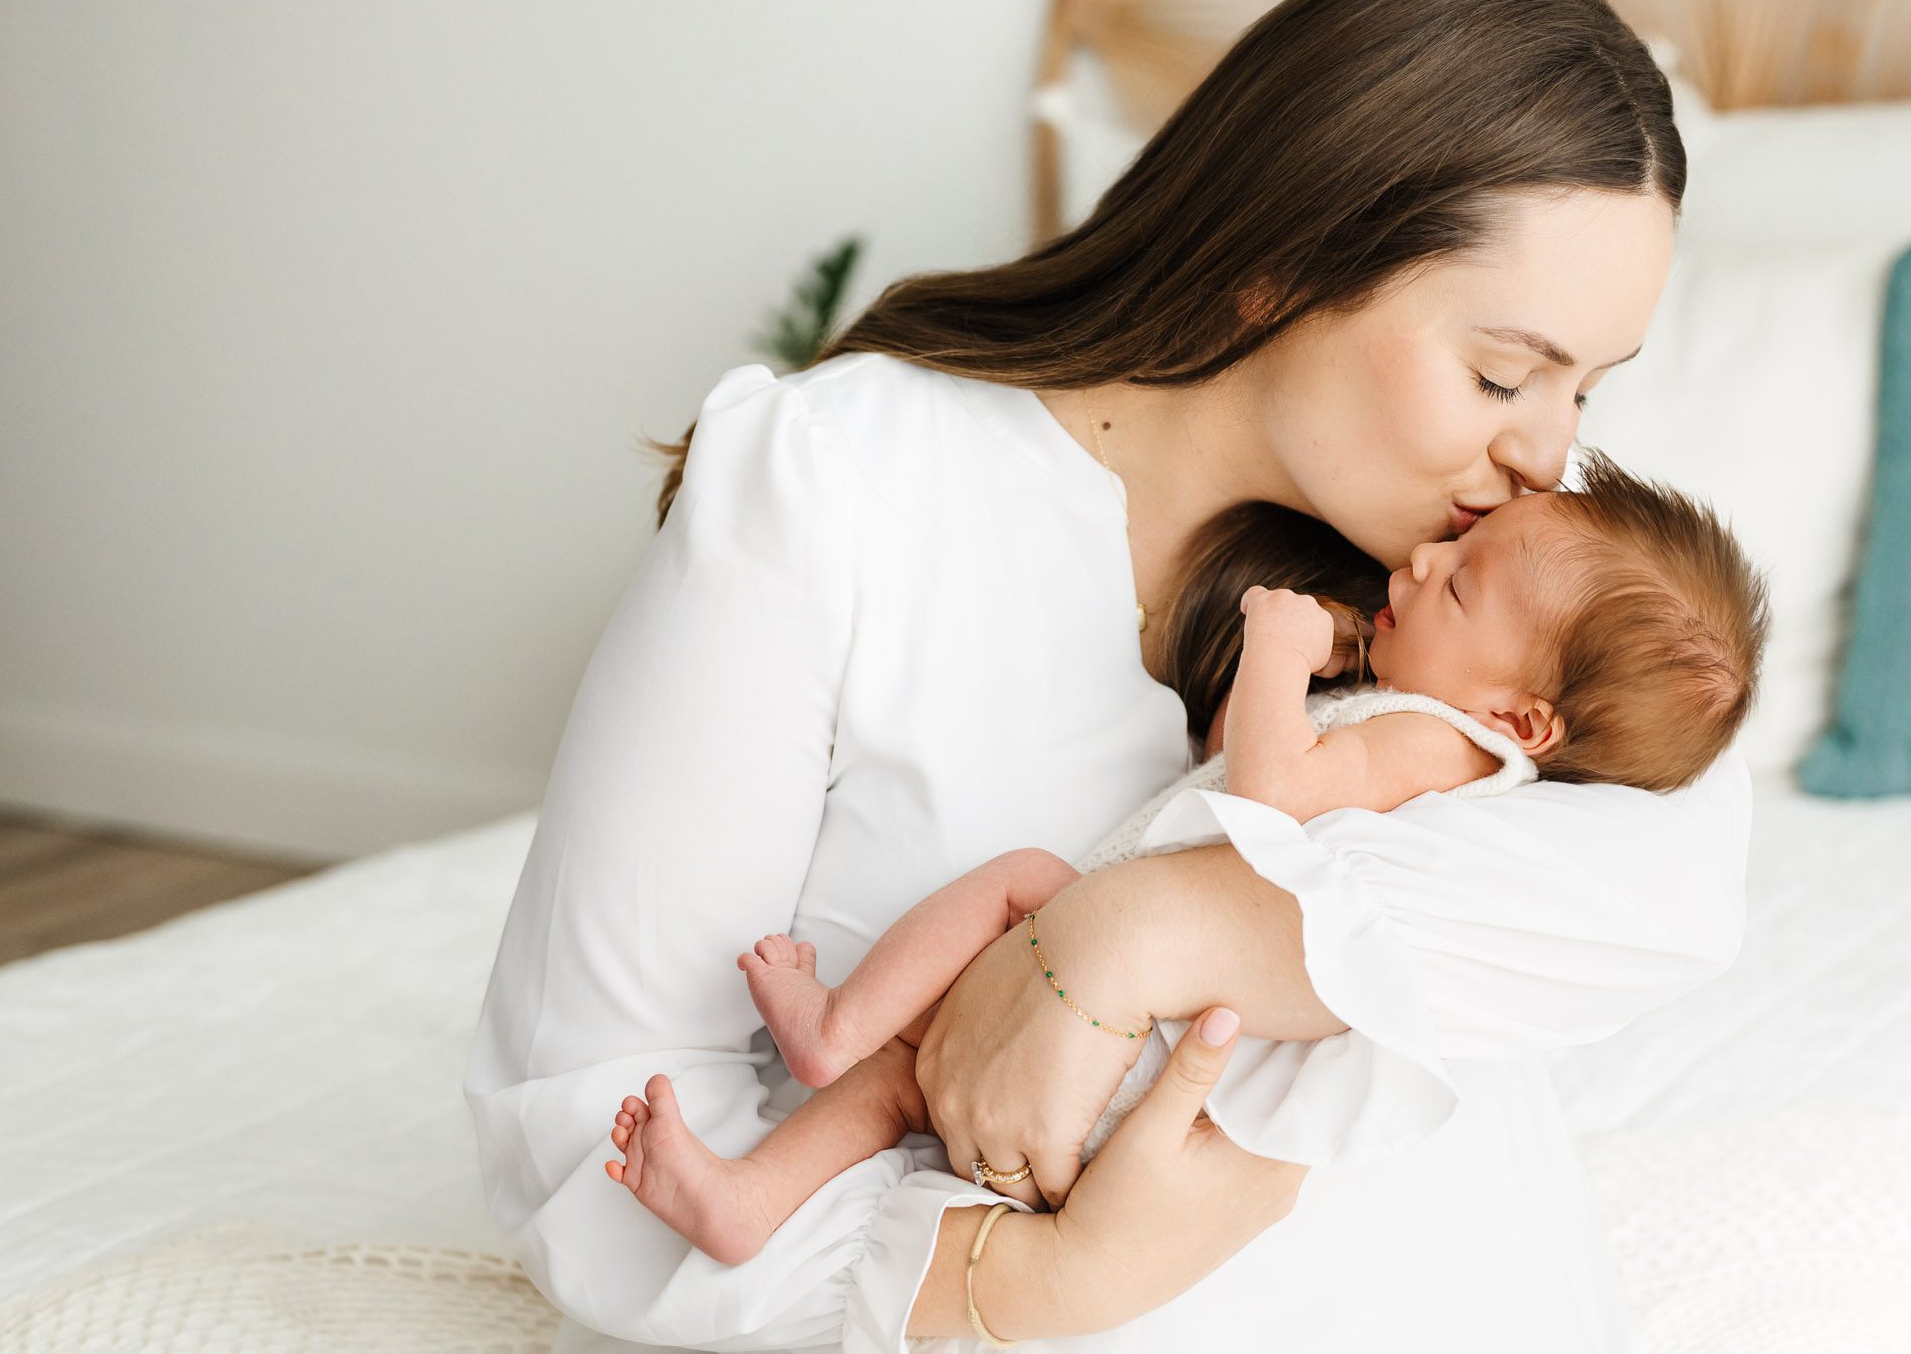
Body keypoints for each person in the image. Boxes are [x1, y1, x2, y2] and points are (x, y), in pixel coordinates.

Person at [463, 0, 1755, 1354]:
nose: (1549, 451)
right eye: (1505, 370)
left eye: (1588, 388)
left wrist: (1144, 924)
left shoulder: (1480, 571)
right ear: (1280, 261)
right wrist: (1016, 1286)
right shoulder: (841, 485)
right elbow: (579, 1112)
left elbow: (1686, 864)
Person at [594, 455, 1772, 1267]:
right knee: (915, 1069)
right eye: (1446, 549)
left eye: (1457, 584)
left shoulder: (1438, 742)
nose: (1415, 563)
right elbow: (1234, 770)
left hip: (1139, 1030)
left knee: (995, 906)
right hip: (1125, 1000)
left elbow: (1274, 792)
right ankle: (753, 1196)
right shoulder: (1421, 719)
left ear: (1522, 720)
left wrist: (1276, 647)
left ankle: (830, 1034)